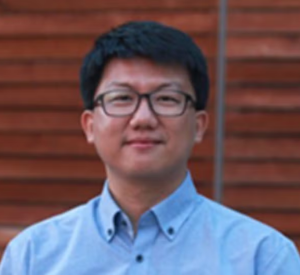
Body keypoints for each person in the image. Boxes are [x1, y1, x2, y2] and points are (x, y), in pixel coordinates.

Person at [0, 21, 299, 275]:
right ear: (90, 125)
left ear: (199, 125)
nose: (143, 118)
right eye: (122, 98)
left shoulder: (263, 258)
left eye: (166, 99)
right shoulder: (32, 257)